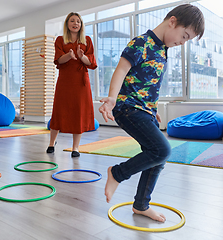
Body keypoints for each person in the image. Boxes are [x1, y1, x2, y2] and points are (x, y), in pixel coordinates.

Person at [99, 4, 205, 222]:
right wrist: (111, 99)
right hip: (127, 107)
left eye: (187, 40)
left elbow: (150, 84)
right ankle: (117, 173)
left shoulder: (163, 50)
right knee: (162, 150)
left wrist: (153, 109)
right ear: (172, 21)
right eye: (184, 36)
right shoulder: (141, 43)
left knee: (157, 158)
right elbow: (121, 70)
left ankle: (140, 205)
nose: (182, 42)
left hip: (144, 110)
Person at [46, 12, 97, 158]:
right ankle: (51, 142)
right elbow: (58, 60)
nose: (76, 23)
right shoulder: (60, 40)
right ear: (67, 24)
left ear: (81, 25)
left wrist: (82, 57)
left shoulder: (87, 40)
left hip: (81, 82)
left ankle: (75, 147)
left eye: (78, 21)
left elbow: (91, 62)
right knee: (59, 110)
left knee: (78, 113)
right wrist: (69, 55)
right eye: (72, 21)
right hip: (65, 81)